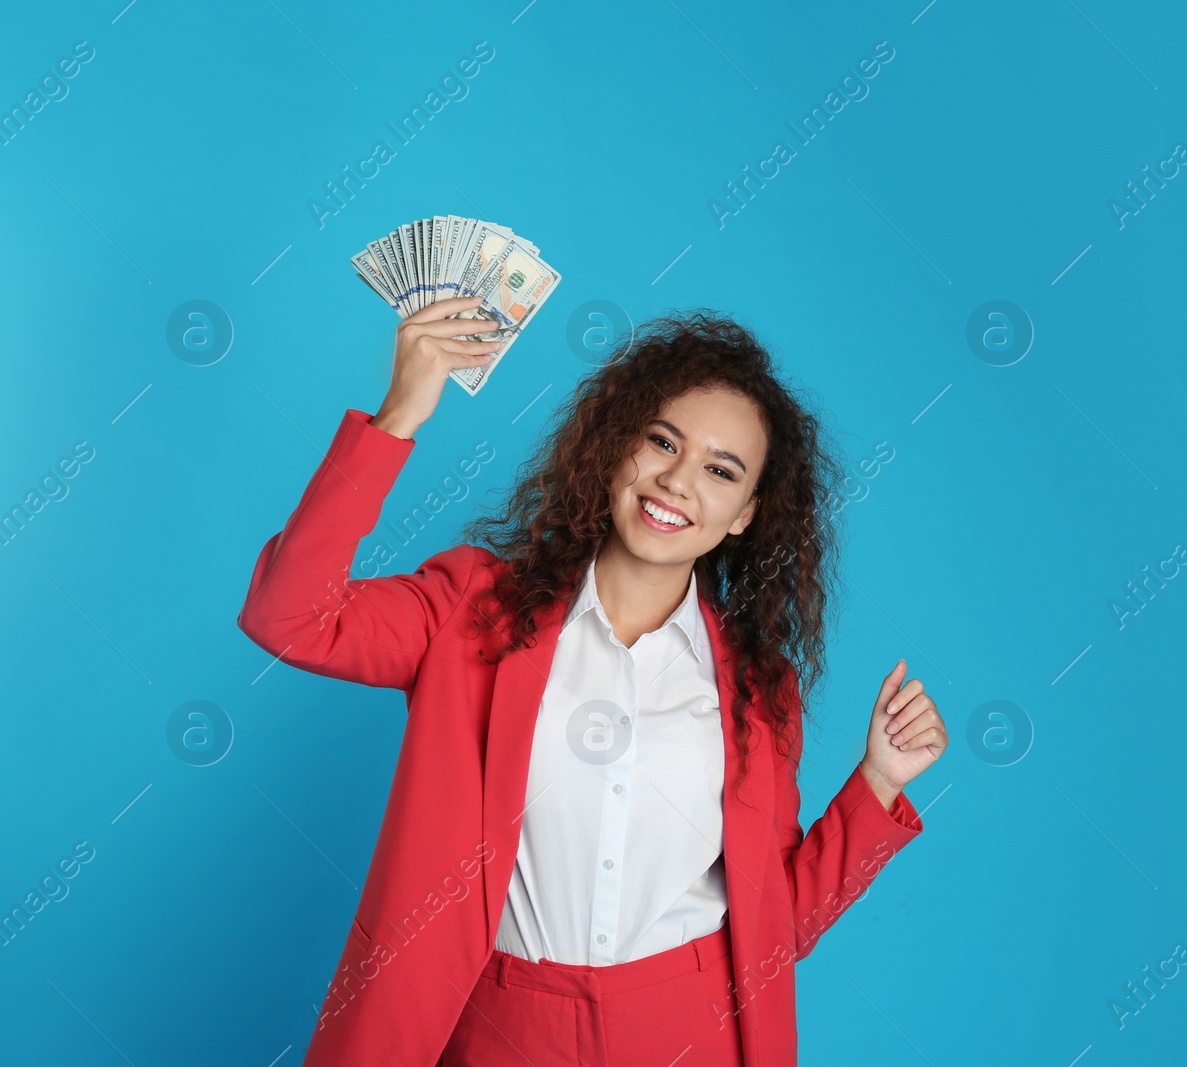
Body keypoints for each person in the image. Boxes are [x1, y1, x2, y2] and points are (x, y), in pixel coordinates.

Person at [236, 295, 947, 1066]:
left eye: (720, 469)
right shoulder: (471, 611)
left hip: (691, 1027)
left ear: (746, 513)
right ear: (617, 448)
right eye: (662, 442)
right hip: (500, 1024)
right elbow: (290, 617)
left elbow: (772, 924)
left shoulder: (759, 689)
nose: (678, 481)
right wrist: (398, 415)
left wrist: (877, 783)